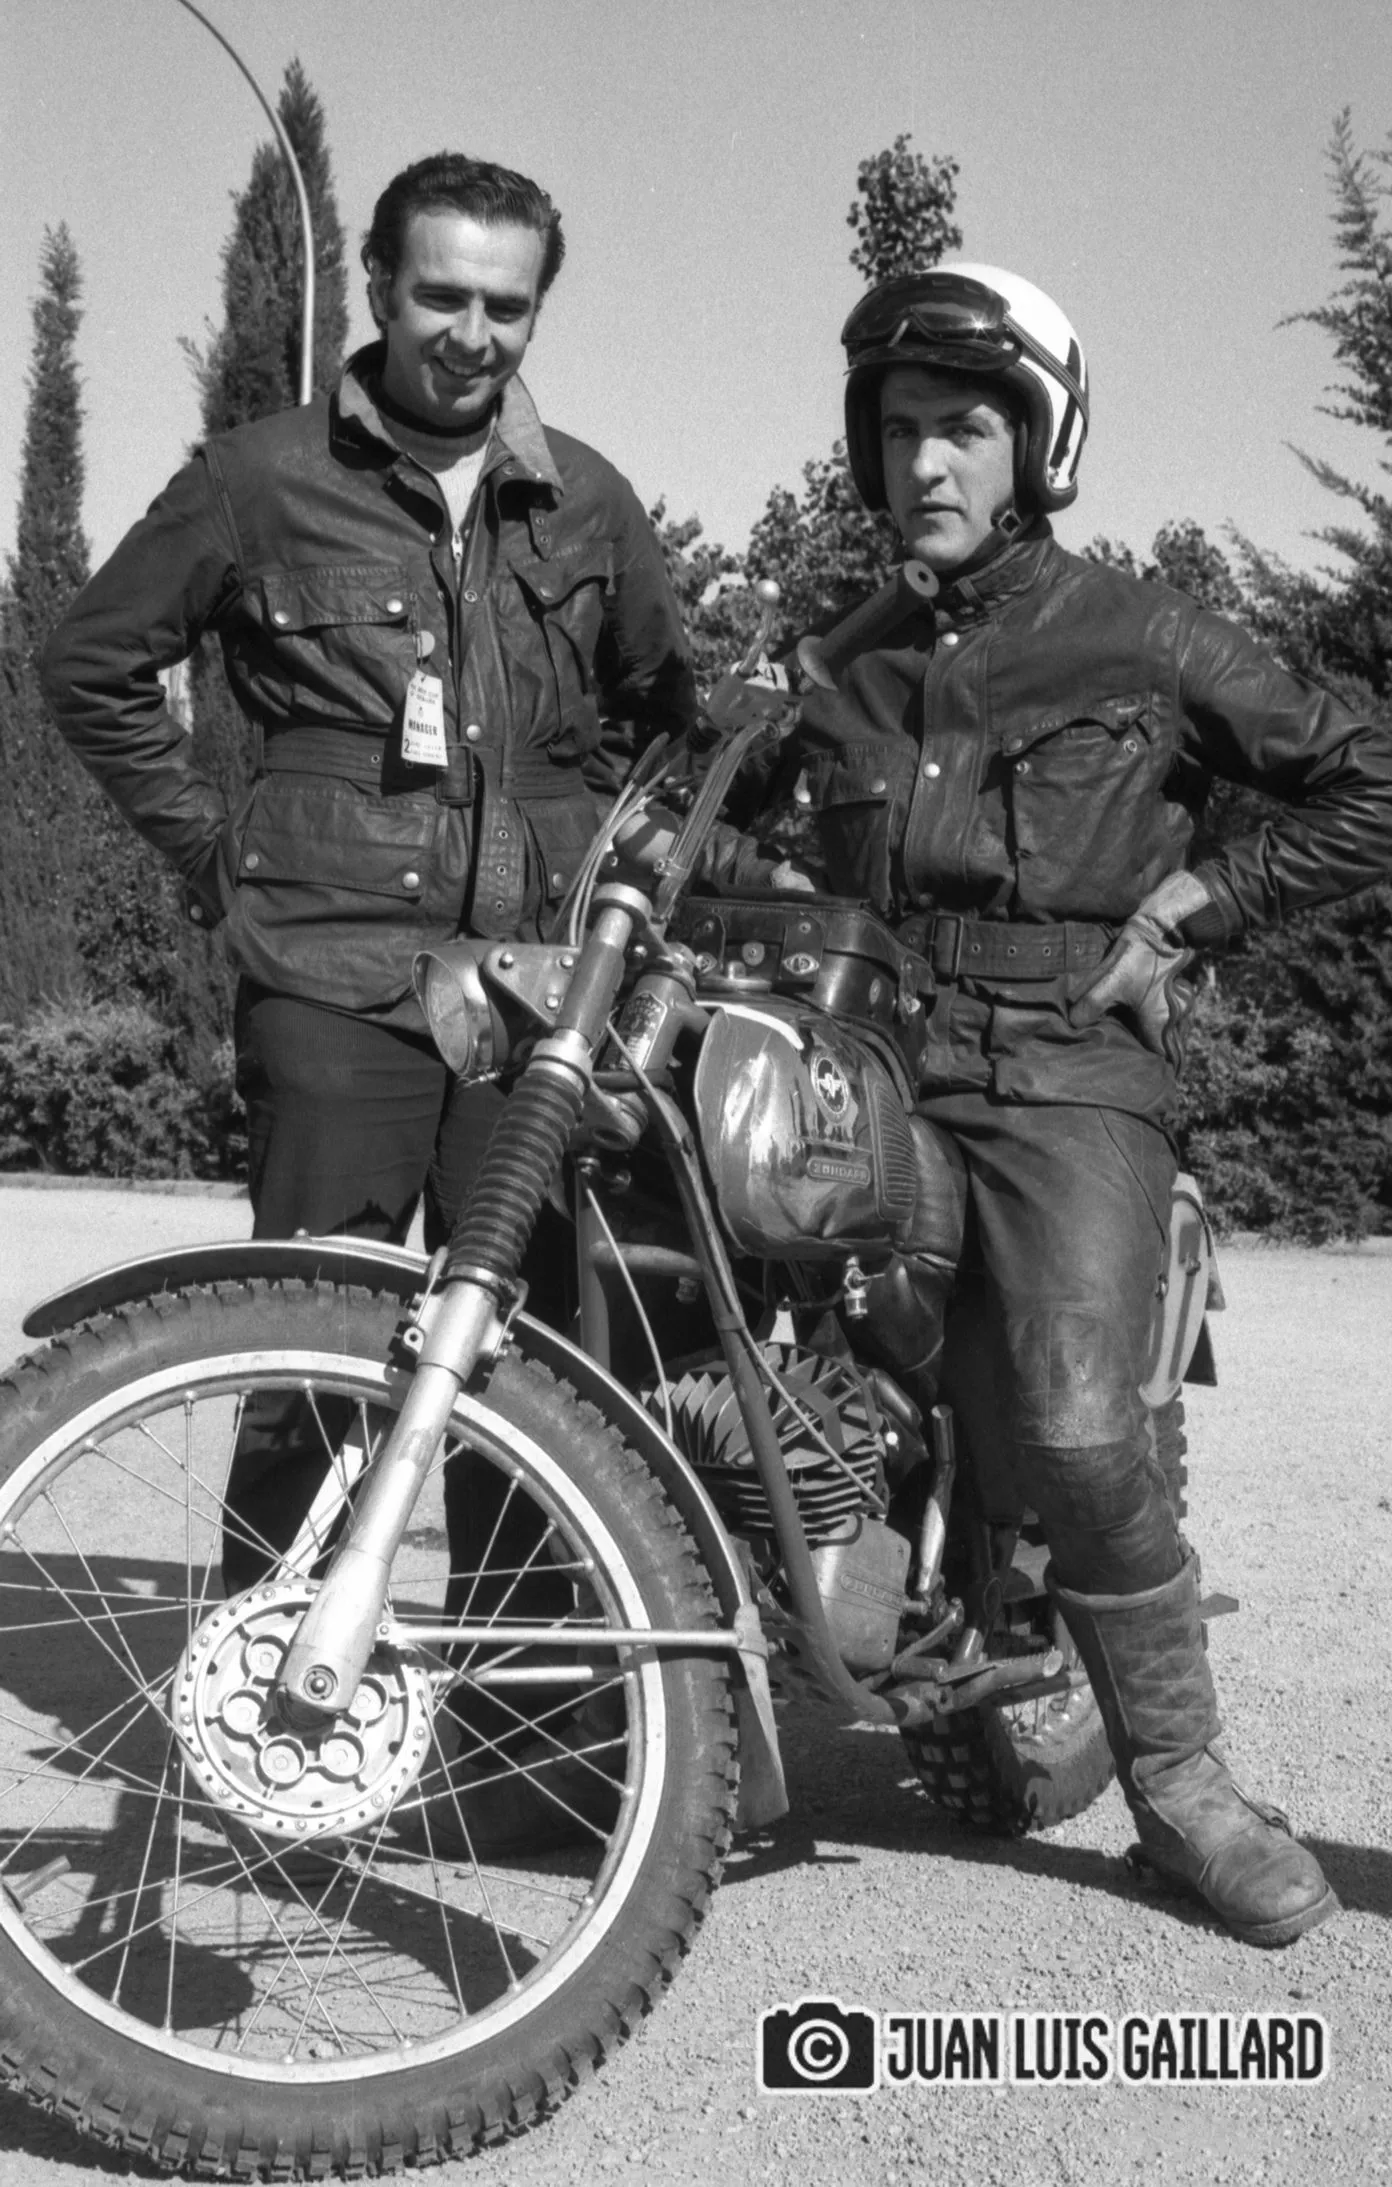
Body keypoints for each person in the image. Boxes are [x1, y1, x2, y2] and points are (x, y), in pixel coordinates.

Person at [712, 264, 1392, 1946]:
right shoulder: (845, 662)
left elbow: (1371, 776)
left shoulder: (1143, 631)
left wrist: (1206, 903)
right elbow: (724, 813)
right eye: (897, 432)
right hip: (876, 1048)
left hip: (1069, 1066)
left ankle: (1184, 1787)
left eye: (961, 428)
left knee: (1084, 1427)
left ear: (1037, 442)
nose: (924, 462)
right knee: (720, 1301)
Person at [41, 152, 695, 1599]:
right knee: (311, 1344)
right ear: (383, 288)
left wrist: (600, 862)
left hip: (539, 993)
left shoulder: (588, 499)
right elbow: (90, 662)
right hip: (331, 971)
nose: (473, 334)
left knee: (531, 1366)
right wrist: (212, 853)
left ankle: (520, 1714)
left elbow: (668, 716)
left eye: (507, 307)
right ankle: (276, 1678)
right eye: (443, 296)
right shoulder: (258, 478)